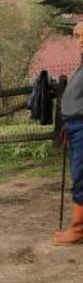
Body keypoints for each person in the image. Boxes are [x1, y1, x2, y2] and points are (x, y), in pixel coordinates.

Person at [53, 21, 83, 245]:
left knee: (81, 176)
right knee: (78, 173)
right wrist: (66, 123)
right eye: (77, 35)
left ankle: (78, 229)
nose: (80, 39)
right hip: (74, 126)